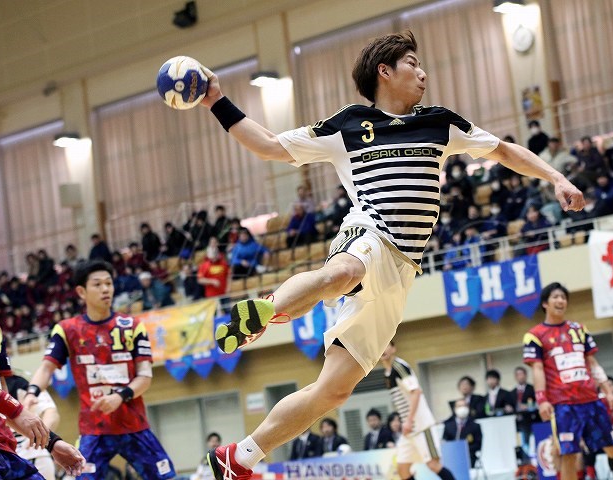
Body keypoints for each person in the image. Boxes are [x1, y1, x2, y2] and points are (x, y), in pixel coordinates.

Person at [201, 30, 583, 479]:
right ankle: (268, 309)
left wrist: (556, 177)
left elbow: (502, 151)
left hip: (403, 270)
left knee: (333, 391)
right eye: (412, 64)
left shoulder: (440, 123)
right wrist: (216, 101)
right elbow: (269, 145)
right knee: (342, 272)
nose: (423, 73)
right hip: (368, 233)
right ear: (385, 71)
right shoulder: (348, 125)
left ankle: (239, 458)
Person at [23, 261, 175, 479]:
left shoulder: (132, 326)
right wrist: (32, 393)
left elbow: (145, 377)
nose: (105, 289)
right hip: (93, 430)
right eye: (97, 284)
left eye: (109, 283)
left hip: (134, 426)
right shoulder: (68, 329)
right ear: (81, 292)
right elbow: (46, 368)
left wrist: (120, 396)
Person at [523, 282, 613, 480]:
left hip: (591, 400)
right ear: (545, 303)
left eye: (563, 297)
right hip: (564, 405)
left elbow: (592, 362)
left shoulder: (579, 329)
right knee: (568, 454)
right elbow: (538, 369)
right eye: (555, 297)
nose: (561, 301)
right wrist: (542, 399)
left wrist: (608, 392)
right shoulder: (534, 335)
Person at [0, 316, 85, 479]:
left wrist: (51, 442)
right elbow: (16, 412)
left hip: (7, 449)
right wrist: (18, 411)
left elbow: (4, 409)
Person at [381, 341, 455, 480]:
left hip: (421, 426)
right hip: (409, 431)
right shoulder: (387, 374)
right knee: (402, 469)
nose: (383, 349)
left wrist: (409, 420)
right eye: (380, 346)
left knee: (433, 465)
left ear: (393, 348)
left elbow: (416, 392)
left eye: (386, 345)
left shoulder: (399, 367)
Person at [6, 375, 60, 480]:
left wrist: (40, 438)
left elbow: (51, 413)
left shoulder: (21, 383)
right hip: (1, 459)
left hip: (32, 456)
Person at [442, 398, 482, 467]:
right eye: (459, 406)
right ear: (455, 409)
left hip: (469, 457)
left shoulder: (475, 426)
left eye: (464, 406)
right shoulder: (448, 426)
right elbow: (445, 442)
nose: (462, 408)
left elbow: (478, 445)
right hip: (452, 458)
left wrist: (463, 449)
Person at [512, 366, 536, 455]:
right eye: (517, 374)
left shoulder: (532, 389)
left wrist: (528, 406)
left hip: (531, 419)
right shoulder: (512, 392)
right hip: (518, 421)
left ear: (526, 375)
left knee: (531, 441)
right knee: (521, 442)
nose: (520, 376)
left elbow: (537, 403)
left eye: (521, 374)